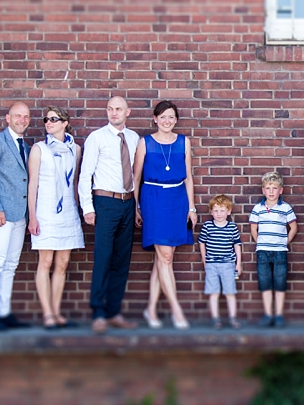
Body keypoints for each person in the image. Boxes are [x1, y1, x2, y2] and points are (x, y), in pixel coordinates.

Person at [79, 95, 140, 334]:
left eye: (118, 109)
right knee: (103, 258)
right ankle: (98, 313)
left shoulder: (134, 138)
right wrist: (88, 208)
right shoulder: (97, 137)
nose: (113, 113)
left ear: (128, 112)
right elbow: (85, 175)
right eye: (110, 109)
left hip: (127, 203)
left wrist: (136, 207)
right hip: (105, 202)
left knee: (121, 261)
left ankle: (114, 311)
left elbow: (137, 175)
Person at [135, 99, 197, 330]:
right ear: (155, 119)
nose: (167, 121)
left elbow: (188, 176)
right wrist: (136, 206)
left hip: (177, 199)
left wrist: (191, 207)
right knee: (166, 257)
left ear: (176, 119)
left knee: (161, 260)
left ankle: (151, 309)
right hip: (153, 200)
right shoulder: (145, 143)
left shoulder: (184, 142)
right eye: (163, 117)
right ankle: (176, 310)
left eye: (171, 117)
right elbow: (136, 178)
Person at [27, 106, 85, 330]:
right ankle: (47, 313)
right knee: (46, 261)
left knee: (62, 263)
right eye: (46, 119)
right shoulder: (39, 149)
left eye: (53, 119)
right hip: (46, 210)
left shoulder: (75, 149)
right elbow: (33, 185)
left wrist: (81, 209)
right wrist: (32, 216)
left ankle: (57, 311)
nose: (48, 123)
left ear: (64, 123)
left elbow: (76, 181)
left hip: (68, 210)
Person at [0, 102, 33, 331]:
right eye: (18, 116)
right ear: (7, 118)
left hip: (19, 215)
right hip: (1, 214)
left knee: (11, 264)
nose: (22, 120)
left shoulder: (27, 147)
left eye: (26, 117)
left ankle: (4, 311)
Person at [249, 171, 298, 328]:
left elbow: (293, 227)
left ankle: (278, 315)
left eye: (274, 188)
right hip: (262, 251)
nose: (271, 191)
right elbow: (253, 229)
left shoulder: (285, 208)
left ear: (280, 190)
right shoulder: (258, 208)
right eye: (268, 188)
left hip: (280, 252)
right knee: (265, 282)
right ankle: (268, 314)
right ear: (263, 190)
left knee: (279, 282)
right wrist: (260, 243)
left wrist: (285, 242)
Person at [198, 194, 243, 329]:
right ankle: (215, 319)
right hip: (211, 264)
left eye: (222, 210)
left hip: (228, 264)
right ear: (211, 212)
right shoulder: (207, 226)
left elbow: (237, 245)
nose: (219, 214)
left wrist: (238, 264)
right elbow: (202, 243)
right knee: (214, 292)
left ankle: (233, 318)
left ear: (228, 211)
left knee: (230, 292)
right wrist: (204, 260)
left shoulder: (232, 227)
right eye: (216, 210)